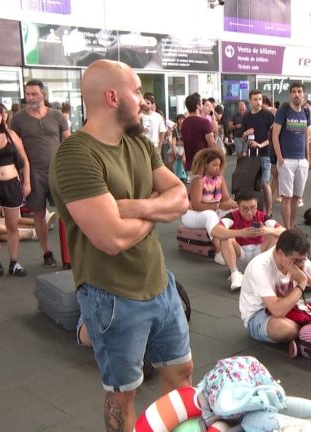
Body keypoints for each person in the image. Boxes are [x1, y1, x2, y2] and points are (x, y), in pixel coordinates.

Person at [49, 60, 192, 432]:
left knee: (182, 373)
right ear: (112, 97)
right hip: (111, 298)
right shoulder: (76, 155)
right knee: (123, 396)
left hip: (161, 284)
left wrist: (135, 207)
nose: (144, 102)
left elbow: (181, 196)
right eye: (135, 92)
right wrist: (157, 211)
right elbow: (111, 238)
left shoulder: (139, 144)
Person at [238, 228, 311, 356]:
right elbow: (277, 311)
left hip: (294, 307)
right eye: (295, 260)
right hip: (260, 314)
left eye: (302, 260)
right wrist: (301, 284)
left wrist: (310, 280)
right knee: (286, 328)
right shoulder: (260, 266)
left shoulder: (300, 261)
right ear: (280, 253)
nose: (299, 264)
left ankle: (307, 338)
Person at [10, 79, 71, 267]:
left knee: (68, 212)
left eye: (34, 94)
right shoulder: (18, 119)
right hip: (34, 173)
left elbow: (68, 143)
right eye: (27, 94)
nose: (30, 98)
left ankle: (70, 255)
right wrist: (22, 174)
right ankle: (47, 253)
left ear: (43, 95)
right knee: (39, 213)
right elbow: (14, 148)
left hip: (58, 170)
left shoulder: (58, 116)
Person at [210, 189, 284, 291]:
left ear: (257, 205)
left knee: (275, 235)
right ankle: (235, 273)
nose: (249, 212)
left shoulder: (262, 216)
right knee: (225, 236)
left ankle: (269, 271)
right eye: (245, 208)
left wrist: (267, 230)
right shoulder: (232, 216)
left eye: (252, 208)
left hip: (259, 254)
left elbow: (284, 232)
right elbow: (214, 231)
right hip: (240, 255)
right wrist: (241, 232)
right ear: (238, 206)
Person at [180, 148, 237, 265]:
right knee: (211, 215)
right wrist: (219, 205)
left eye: (219, 165)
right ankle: (219, 252)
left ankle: (236, 245)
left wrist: (233, 205)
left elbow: (226, 199)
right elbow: (196, 205)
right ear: (205, 165)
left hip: (211, 211)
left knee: (234, 212)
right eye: (214, 165)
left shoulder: (220, 179)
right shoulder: (198, 180)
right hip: (191, 215)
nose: (218, 168)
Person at [0, 103, 31, 276]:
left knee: (12, 226)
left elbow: (25, 161)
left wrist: (27, 183)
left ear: (2, 116)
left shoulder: (11, 135)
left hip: (11, 185)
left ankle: (14, 262)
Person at [272, 83, 310, 229]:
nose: (296, 94)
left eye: (299, 91)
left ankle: (292, 226)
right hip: (286, 160)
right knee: (286, 197)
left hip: (302, 161)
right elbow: (275, 136)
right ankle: (287, 229)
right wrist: (280, 158)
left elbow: (306, 136)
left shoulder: (306, 113)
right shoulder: (284, 111)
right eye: (293, 92)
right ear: (290, 95)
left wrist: (308, 157)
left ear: (303, 94)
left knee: (296, 197)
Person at [241, 90, 275, 216]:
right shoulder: (246, 116)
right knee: (253, 184)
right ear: (250, 101)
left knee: (264, 182)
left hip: (265, 153)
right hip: (251, 155)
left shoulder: (268, 115)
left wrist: (260, 144)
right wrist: (245, 133)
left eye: (260, 99)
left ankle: (269, 211)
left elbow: (273, 137)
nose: (258, 102)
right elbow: (242, 138)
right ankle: (257, 211)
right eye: (255, 99)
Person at [180, 93, 216, 172]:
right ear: (197, 106)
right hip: (204, 164)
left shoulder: (184, 123)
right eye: (201, 103)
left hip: (190, 165)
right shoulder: (204, 122)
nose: (202, 105)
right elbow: (212, 143)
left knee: (194, 184)